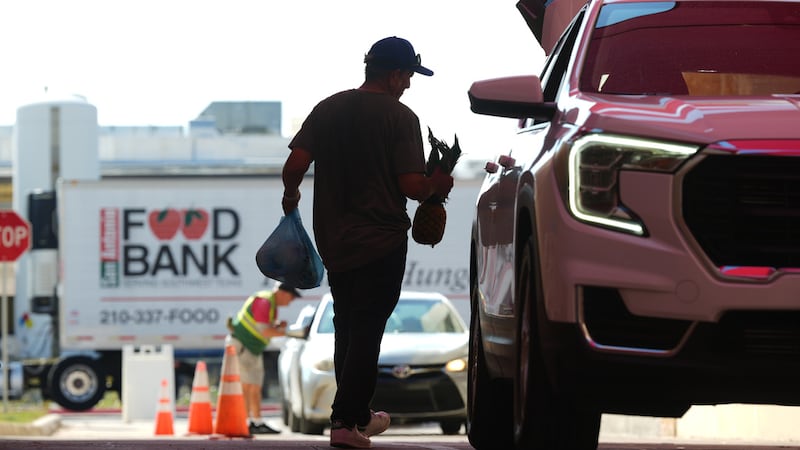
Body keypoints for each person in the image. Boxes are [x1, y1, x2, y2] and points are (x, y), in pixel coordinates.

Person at [280, 36, 453, 449]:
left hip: (335, 241)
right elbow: (412, 186)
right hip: (380, 240)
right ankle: (344, 422)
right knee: (368, 327)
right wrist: (438, 183)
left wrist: (291, 197)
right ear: (394, 74)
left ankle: (357, 417)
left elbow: (295, 165)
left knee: (349, 324)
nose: (409, 84)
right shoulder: (400, 117)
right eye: (408, 75)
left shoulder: (329, 108)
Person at [226, 283, 301, 435]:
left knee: (253, 387)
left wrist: (277, 326)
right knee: (248, 387)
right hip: (244, 347)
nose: (290, 302)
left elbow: (263, 326)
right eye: (291, 297)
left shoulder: (269, 303)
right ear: (283, 292)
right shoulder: (264, 301)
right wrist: (288, 333)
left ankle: (255, 422)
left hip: (251, 348)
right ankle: (247, 422)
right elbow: (265, 331)